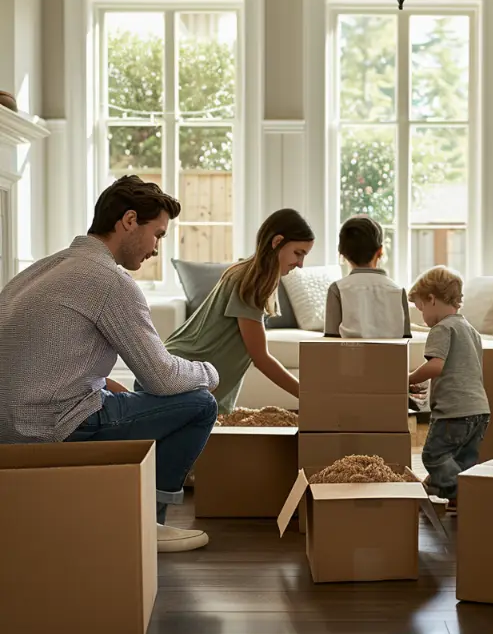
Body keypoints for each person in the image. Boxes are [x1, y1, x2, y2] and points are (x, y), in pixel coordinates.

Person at [0, 175, 220, 553]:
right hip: (53, 429)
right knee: (199, 403)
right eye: (158, 234)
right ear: (130, 221)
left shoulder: (39, 271)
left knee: (127, 390)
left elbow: (56, 369)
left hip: (9, 428)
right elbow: (163, 378)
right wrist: (211, 372)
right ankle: (148, 524)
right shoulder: (109, 280)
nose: (156, 248)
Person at [164, 209, 314, 414]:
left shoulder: (252, 274)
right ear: (277, 242)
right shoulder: (251, 282)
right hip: (181, 375)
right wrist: (309, 396)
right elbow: (261, 357)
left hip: (182, 372)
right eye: (298, 253)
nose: (300, 264)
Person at [408, 266, 490, 509]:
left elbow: (436, 366)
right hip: (479, 410)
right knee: (463, 460)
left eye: (421, 308)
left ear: (431, 299)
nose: (423, 316)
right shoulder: (471, 330)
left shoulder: (442, 328)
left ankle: (464, 496)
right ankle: (447, 494)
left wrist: (409, 378)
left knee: (434, 454)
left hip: (453, 412)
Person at [324, 215, 412, 340]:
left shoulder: (337, 289)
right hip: (392, 359)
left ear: (342, 253)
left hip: (349, 358)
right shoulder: (398, 290)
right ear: (380, 251)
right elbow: (406, 342)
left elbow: (330, 342)